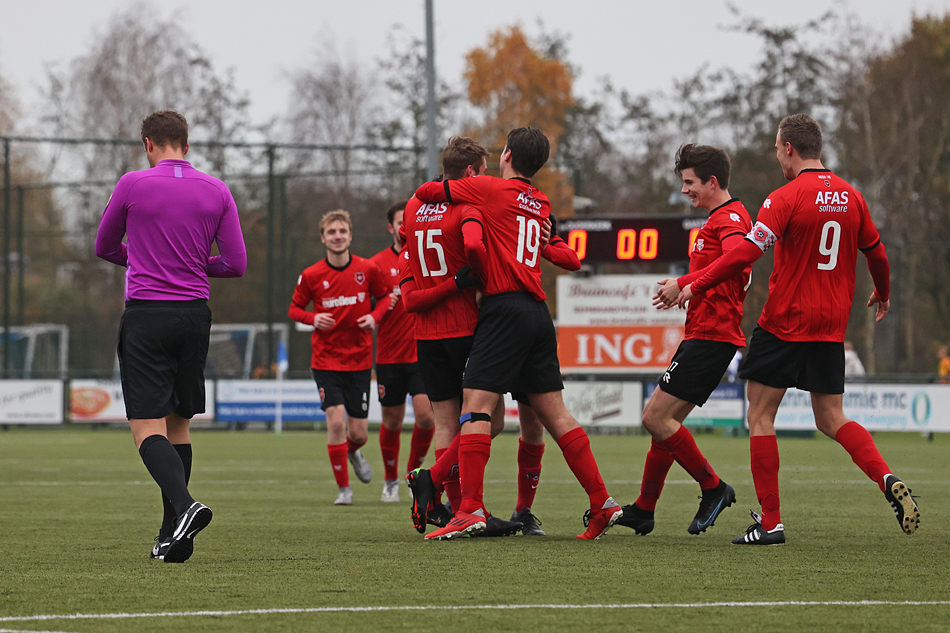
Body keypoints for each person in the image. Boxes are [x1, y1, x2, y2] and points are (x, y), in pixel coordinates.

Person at [672, 114, 919, 544]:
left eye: (775, 148)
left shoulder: (784, 197)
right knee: (832, 417)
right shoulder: (853, 197)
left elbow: (745, 254)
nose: (776, 156)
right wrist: (883, 292)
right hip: (831, 325)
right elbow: (876, 253)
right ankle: (885, 477)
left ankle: (771, 522)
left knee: (761, 415)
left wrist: (691, 282)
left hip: (786, 320)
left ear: (788, 148)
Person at [413, 127, 623, 540]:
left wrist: (450, 184)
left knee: (475, 408)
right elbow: (566, 254)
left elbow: (425, 193)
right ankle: (602, 502)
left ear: (506, 154)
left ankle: (469, 509)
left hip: (504, 309)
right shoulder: (541, 202)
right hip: (537, 313)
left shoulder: (488, 189)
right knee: (556, 414)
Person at [95, 109, 247, 563]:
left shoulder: (133, 184)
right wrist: (195, 265)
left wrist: (143, 259)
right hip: (194, 318)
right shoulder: (217, 190)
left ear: (148, 144)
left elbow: (104, 246)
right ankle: (171, 535)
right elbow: (235, 264)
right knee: (179, 423)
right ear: (187, 144)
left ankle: (185, 506)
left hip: (148, 316)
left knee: (146, 426)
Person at [617, 144, 750, 537]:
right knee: (666, 425)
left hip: (713, 334)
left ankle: (713, 488)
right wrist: (688, 287)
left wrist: (688, 284)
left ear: (712, 181)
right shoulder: (721, 217)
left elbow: (738, 257)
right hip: (706, 333)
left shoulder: (730, 218)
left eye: (689, 183)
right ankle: (644, 508)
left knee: (654, 417)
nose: (684, 191)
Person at [289, 210, 391, 506]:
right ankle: (344, 490)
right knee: (335, 424)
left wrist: (374, 317)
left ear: (350, 235)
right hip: (325, 361)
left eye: (342, 231)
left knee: (358, 434)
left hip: (359, 361)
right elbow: (294, 309)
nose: (337, 236)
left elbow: (384, 298)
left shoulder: (367, 269)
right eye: (331, 232)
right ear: (323, 237)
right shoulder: (311, 275)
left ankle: (352, 450)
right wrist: (313, 318)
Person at [370, 201, 435, 503]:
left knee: (426, 418)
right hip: (388, 356)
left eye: (407, 221)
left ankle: (414, 476)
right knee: (392, 422)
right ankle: (390, 480)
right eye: (399, 222)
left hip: (422, 352)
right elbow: (365, 306)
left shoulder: (425, 256)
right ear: (391, 227)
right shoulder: (376, 265)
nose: (403, 227)